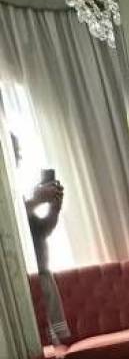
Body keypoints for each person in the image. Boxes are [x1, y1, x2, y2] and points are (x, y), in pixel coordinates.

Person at [12, 134, 69, 342]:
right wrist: (35, 201)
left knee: (55, 346)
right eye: (15, 151)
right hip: (22, 284)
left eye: (18, 152)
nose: (19, 157)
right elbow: (10, 223)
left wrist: (55, 209)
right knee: (40, 344)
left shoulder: (15, 193)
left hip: (42, 275)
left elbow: (41, 231)